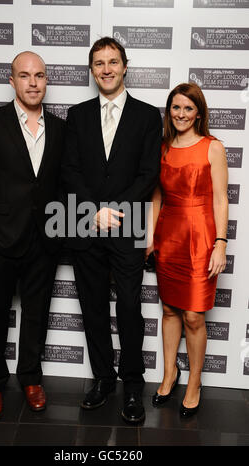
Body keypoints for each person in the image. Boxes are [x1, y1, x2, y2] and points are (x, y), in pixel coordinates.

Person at [62, 37, 162, 424]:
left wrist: (113, 210)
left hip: (127, 227)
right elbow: (69, 170)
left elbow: (148, 173)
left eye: (113, 62)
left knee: (130, 308)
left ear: (125, 66)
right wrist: (94, 210)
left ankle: (133, 386)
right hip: (85, 225)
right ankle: (103, 379)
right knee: (93, 308)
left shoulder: (147, 116)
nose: (106, 69)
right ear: (92, 70)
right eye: (99, 63)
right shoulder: (77, 114)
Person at [0, 51, 65, 420]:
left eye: (39, 75)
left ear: (46, 80)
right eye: (24, 76)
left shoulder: (60, 128)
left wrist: (60, 232)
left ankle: (31, 378)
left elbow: (63, 186)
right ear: (12, 81)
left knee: (36, 314)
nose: (33, 82)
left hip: (44, 242)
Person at [147, 82, 228, 417]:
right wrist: (149, 237)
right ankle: (170, 373)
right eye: (176, 108)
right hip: (169, 235)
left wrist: (220, 244)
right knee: (169, 311)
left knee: (194, 315)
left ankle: (194, 382)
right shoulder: (162, 147)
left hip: (200, 237)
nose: (181, 114)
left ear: (199, 113)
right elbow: (156, 197)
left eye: (188, 108)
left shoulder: (213, 147)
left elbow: (221, 199)